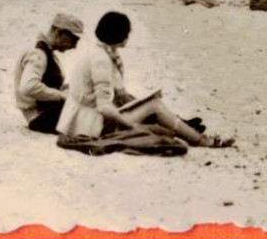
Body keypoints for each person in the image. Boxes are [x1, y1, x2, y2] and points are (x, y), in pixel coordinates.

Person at [57, 11, 232, 147]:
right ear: (119, 35)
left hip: (82, 119)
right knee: (155, 106)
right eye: (126, 34)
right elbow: (104, 107)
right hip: (91, 126)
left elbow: (117, 94)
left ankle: (188, 130)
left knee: (152, 106)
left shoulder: (101, 52)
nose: (127, 37)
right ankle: (202, 141)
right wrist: (130, 126)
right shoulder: (102, 59)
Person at [13, 13, 82, 134]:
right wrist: (61, 96)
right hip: (40, 117)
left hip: (45, 112)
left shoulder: (45, 50)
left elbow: (48, 83)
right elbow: (28, 87)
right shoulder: (38, 53)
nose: (74, 46)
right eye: (73, 40)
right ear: (59, 32)